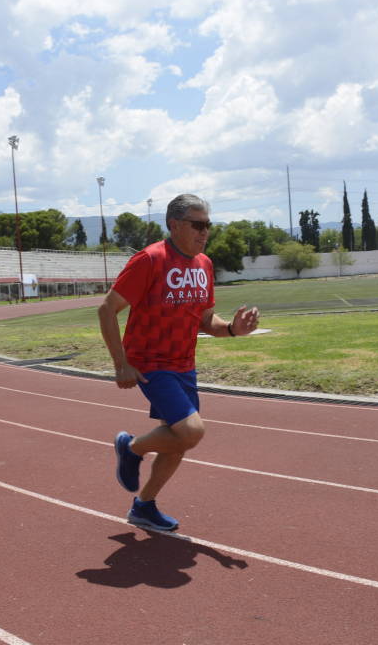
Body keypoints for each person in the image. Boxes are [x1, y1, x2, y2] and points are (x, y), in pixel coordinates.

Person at [98, 194, 260, 531]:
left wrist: (232, 329)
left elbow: (205, 321)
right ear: (174, 225)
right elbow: (107, 309)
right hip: (151, 364)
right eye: (197, 225)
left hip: (184, 364)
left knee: (179, 442)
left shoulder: (204, 264)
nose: (205, 232)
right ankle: (132, 448)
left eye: (208, 226)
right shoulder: (150, 259)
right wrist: (121, 364)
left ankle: (143, 506)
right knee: (191, 432)